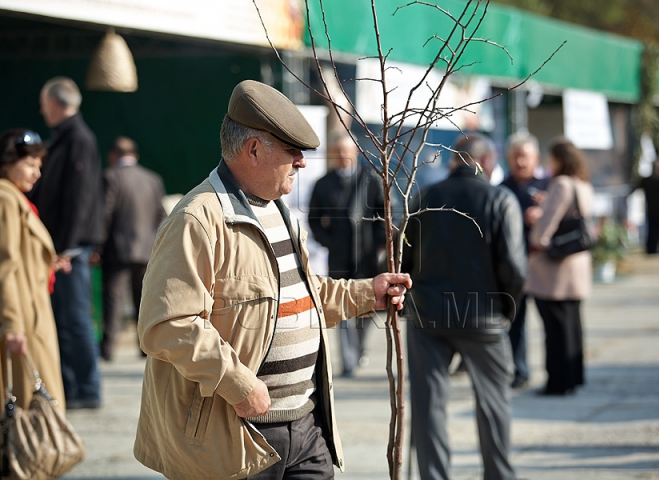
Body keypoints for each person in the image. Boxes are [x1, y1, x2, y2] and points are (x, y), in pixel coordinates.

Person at [133, 80, 411, 480]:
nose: (301, 162)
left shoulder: (279, 211)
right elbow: (166, 324)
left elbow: (302, 296)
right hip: (236, 439)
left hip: (306, 428)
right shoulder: (197, 219)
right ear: (254, 150)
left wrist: (369, 292)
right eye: (292, 151)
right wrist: (238, 383)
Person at [403, 133, 525, 480]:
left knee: (429, 407)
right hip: (482, 316)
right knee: (493, 405)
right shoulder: (500, 199)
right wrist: (505, 311)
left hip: (428, 316)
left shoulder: (425, 197)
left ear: (454, 160)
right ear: (487, 162)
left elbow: (404, 259)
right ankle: (498, 475)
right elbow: (514, 268)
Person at [29, 76, 103, 409]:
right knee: (65, 319)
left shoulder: (78, 140)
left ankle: (85, 389)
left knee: (74, 319)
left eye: (45, 104)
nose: (42, 110)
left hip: (69, 248)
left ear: (56, 104)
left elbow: (81, 197)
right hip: (64, 246)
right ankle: (73, 387)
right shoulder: (67, 139)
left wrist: (68, 248)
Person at [308, 133, 385, 376]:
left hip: (367, 256)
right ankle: (349, 360)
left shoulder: (371, 180)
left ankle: (359, 347)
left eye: (346, 151)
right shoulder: (323, 184)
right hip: (339, 257)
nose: (342, 156)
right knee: (341, 304)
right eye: (338, 152)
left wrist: (379, 244)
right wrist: (329, 242)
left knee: (366, 305)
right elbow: (314, 220)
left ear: (355, 153)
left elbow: (384, 215)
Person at [0, 129, 66, 412]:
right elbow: (5, 265)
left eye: (39, 165)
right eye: (29, 164)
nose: (36, 173)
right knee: (32, 407)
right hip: (24, 320)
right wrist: (12, 324)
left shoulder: (14, 197)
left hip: (31, 314)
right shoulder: (6, 198)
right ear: (6, 162)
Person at [524, 137, 594, 396]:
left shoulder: (561, 183)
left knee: (555, 330)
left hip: (555, 270)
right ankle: (574, 376)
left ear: (558, 159)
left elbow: (543, 232)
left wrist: (535, 221)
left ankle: (558, 382)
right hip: (576, 264)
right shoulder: (582, 183)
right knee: (573, 325)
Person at [99, 137, 167, 361]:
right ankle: (145, 348)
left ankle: (107, 349)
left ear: (113, 155)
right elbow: (161, 216)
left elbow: (104, 215)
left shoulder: (110, 177)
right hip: (146, 251)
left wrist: (97, 245)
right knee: (144, 301)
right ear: (135, 155)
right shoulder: (152, 179)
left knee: (113, 301)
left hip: (116, 250)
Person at [500, 131, 548, 389]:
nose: (521, 162)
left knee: (549, 319)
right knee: (515, 322)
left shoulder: (548, 185)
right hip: (514, 266)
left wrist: (544, 211)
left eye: (525, 157)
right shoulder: (502, 189)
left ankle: (554, 370)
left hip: (543, 266)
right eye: (516, 157)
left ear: (536, 158)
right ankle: (520, 371)